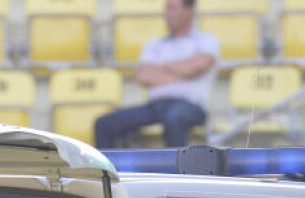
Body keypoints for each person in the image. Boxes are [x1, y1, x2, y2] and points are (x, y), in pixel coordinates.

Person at [94, 0, 219, 149]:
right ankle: (110, 171)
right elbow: (143, 76)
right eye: (166, 8)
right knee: (103, 124)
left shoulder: (207, 39)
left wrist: (162, 66)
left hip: (191, 105)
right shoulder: (154, 43)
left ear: (189, 10)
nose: (166, 13)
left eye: (171, 8)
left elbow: (197, 66)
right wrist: (183, 70)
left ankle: (177, 172)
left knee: (174, 118)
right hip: (156, 106)